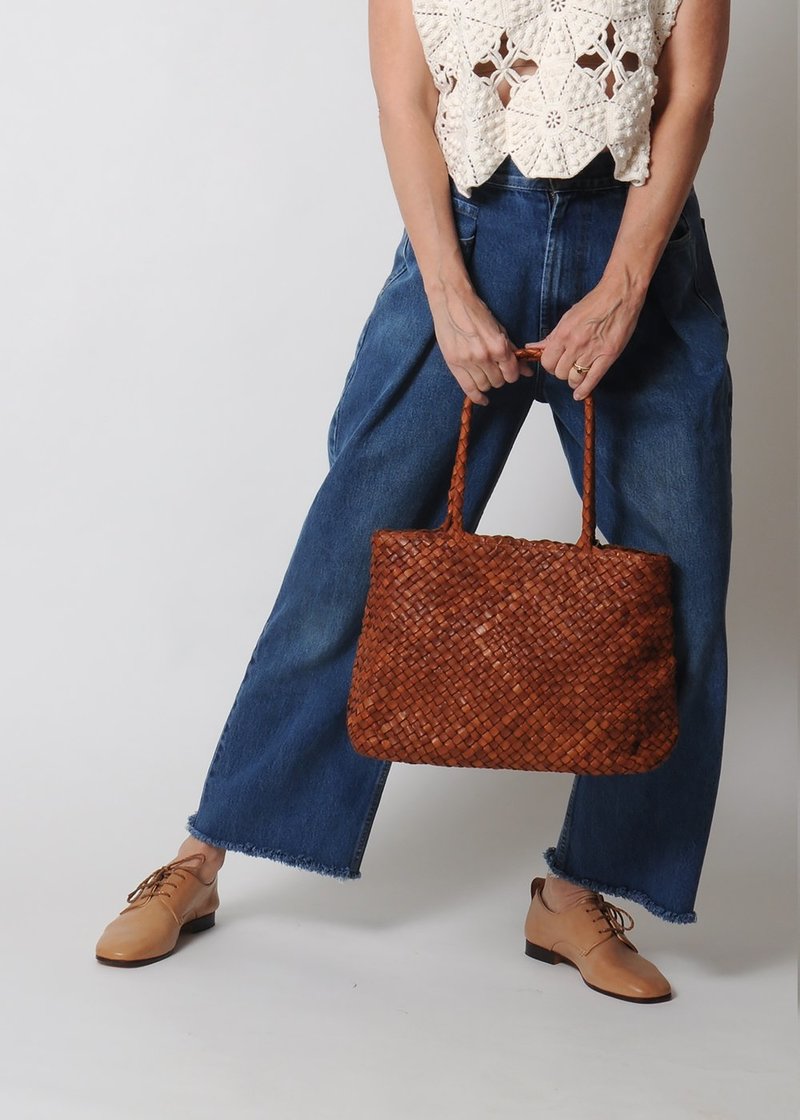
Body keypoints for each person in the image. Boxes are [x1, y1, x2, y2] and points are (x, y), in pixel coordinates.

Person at [95, 0, 732, 1004]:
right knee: (348, 560)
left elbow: (687, 96)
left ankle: (581, 892)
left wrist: (623, 289)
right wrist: (447, 293)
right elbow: (404, 98)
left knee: (676, 593)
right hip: (468, 239)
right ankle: (204, 854)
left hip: (638, 252)